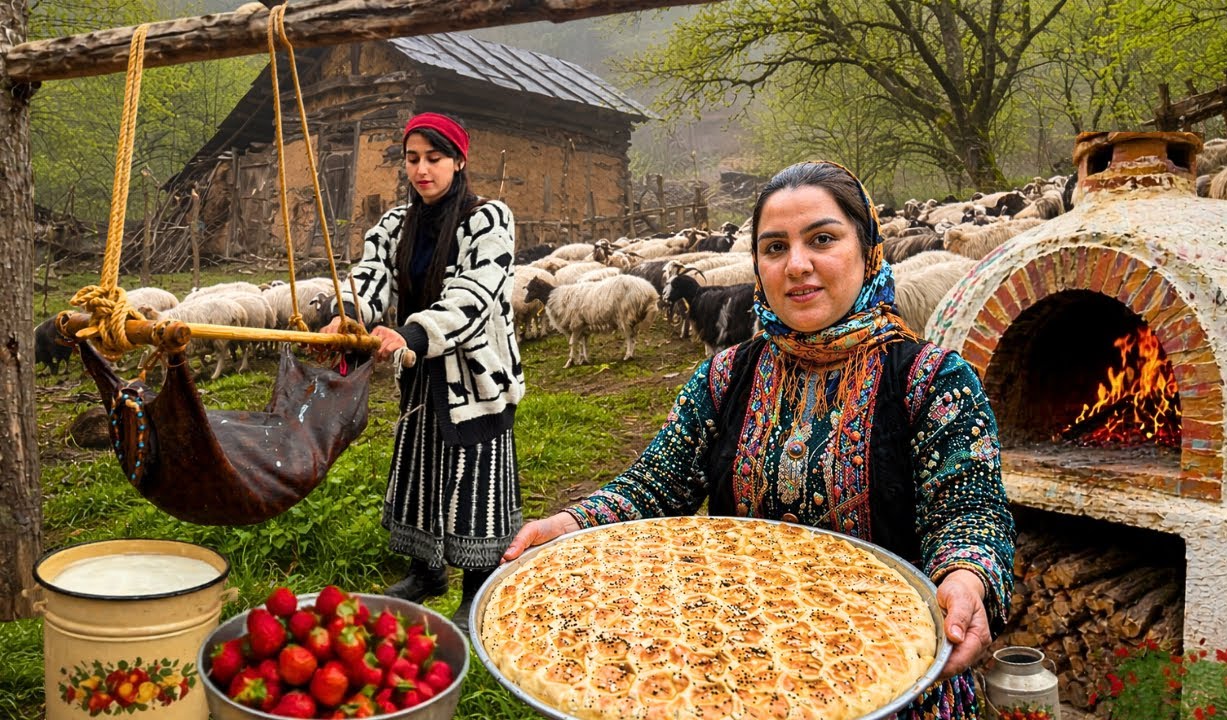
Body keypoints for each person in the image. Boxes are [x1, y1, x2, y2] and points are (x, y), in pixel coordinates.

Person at [505, 161, 1015, 718]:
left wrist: (967, 575)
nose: (797, 265)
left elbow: (969, 510)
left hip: (890, 672)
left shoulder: (930, 379)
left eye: (822, 239)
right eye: (774, 248)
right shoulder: (726, 377)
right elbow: (656, 484)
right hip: (738, 669)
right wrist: (571, 523)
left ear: (869, 250)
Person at [323, 112, 524, 632]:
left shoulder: (487, 219)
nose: (422, 169)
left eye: (434, 158)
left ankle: (477, 589)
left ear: (459, 160)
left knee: (476, 479)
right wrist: (350, 313)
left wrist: (411, 335)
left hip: (475, 375)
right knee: (420, 467)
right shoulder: (394, 225)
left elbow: (473, 296)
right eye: (413, 159)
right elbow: (369, 280)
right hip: (420, 372)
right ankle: (425, 571)